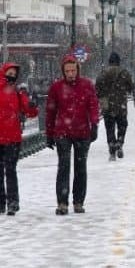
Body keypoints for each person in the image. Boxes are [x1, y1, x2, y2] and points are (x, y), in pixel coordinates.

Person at [0, 62, 38, 216]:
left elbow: (29, 112)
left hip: (13, 139)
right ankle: (0, 203)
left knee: (10, 170)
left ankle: (13, 202)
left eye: (13, 74)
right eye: (9, 73)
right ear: (3, 74)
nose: (11, 77)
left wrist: (32, 105)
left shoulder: (18, 93)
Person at [46, 54, 100, 215]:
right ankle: (62, 202)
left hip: (82, 131)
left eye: (73, 70)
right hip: (63, 132)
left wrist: (94, 124)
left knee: (80, 168)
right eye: (68, 71)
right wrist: (49, 134)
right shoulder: (56, 88)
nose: (71, 73)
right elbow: (50, 112)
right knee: (63, 166)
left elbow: (93, 105)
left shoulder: (86, 85)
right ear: (63, 71)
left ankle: (78, 201)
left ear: (78, 70)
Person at [95, 51, 134, 161]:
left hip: (107, 105)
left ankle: (112, 148)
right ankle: (120, 142)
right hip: (120, 104)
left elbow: (97, 89)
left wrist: (103, 96)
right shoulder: (124, 72)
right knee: (122, 125)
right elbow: (131, 87)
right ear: (118, 62)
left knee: (109, 128)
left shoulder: (102, 73)